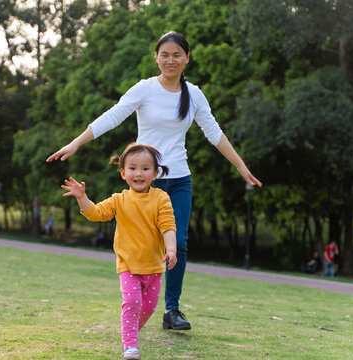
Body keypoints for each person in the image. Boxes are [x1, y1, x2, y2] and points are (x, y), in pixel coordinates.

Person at [47, 31, 262, 330]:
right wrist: (76, 142)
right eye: (165, 55)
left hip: (179, 179)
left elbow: (215, 133)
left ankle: (172, 310)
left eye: (177, 55)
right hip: (147, 180)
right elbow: (113, 115)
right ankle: (136, 296)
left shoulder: (194, 94)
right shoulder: (145, 89)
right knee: (147, 244)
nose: (170, 60)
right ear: (157, 58)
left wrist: (241, 166)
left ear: (186, 58)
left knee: (180, 242)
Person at [61, 143, 177, 360]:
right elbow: (95, 213)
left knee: (148, 309)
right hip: (128, 266)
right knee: (132, 303)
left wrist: (171, 250)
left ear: (155, 173)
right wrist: (81, 198)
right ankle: (130, 346)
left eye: (145, 168)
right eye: (132, 168)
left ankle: (129, 330)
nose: (139, 173)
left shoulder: (161, 198)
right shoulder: (119, 200)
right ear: (123, 173)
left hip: (154, 266)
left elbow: (168, 226)